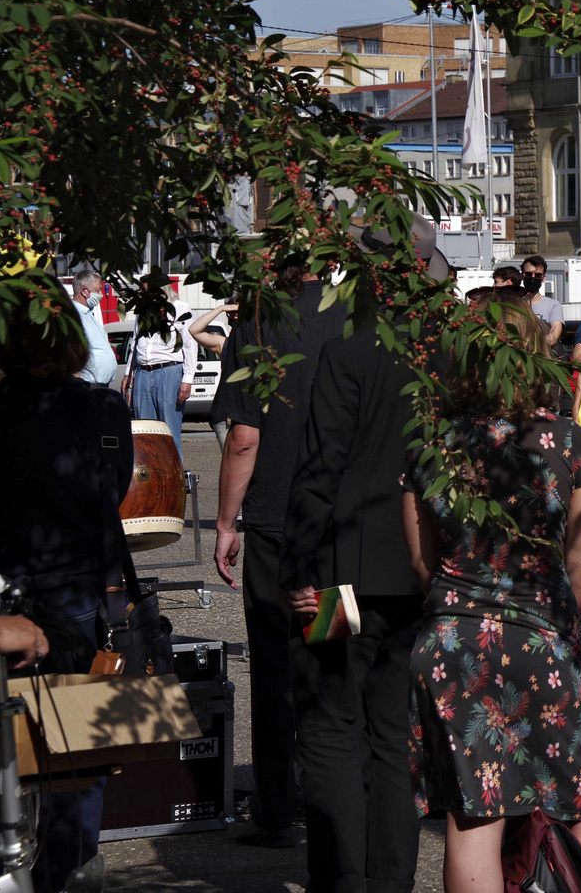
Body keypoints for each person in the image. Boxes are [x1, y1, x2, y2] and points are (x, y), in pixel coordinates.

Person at [400, 298, 581, 893]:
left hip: (455, 637)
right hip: (543, 634)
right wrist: (550, 623)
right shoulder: (565, 442)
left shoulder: (432, 443)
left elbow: (422, 560)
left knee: (476, 813)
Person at [0, 302, 135, 890]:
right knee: (75, 768)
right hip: (79, 595)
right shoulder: (103, 407)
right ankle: (66, 876)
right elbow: (115, 490)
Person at [280, 313, 430, 891]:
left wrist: (296, 565)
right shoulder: (444, 356)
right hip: (413, 568)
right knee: (393, 733)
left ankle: (343, 877)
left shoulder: (350, 353)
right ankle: (390, 880)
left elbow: (321, 468)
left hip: (338, 572)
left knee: (329, 723)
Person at [212, 262, 350, 848]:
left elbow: (244, 436)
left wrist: (224, 522)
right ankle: (339, 803)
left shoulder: (260, 324)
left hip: (275, 521)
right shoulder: (355, 315)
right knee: (330, 654)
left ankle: (276, 808)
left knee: (273, 661)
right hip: (338, 521)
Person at [123, 278, 198, 457]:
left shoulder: (180, 308)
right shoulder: (142, 311)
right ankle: (151, 482)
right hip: (142, 372)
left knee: (169, 433)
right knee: (145, 433)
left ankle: (175, 482)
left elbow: (190, 345)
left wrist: (187, 379)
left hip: (169, 371)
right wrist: (128, 372)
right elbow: (135, 341)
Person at [188, 302, 239, 448]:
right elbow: (194, 330)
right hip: (224, 408)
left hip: (246, 410)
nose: (234, 316)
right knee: (227, 458)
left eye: (238, 312)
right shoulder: (223, 343)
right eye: (231, 313)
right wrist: (220, 309)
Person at [70, 265, 118, 386]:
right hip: (87, 385)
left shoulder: (89, 314)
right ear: (84, 291)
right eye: (97, 290)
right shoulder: (74, 316)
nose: (101, 294)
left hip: (99, 385)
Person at [521, 255, 566, 349]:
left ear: (543, 278)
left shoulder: (553, 305)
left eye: (537, 275)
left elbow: (553, 338)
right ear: (522, 276)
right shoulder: (516, 303)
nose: (533, 278)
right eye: (528, 274)